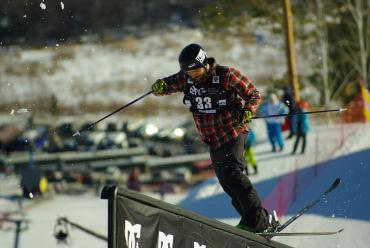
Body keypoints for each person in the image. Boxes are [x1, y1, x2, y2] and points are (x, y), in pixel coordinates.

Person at [151, 43, 278, 233]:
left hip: (232, 132)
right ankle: (256, 219)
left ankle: (257, 221)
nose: (191, 74)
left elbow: (254, 94)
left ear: (204, 63)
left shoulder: (226, 75)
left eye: (194, 70)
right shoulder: (187, 78)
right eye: (186, 71)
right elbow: (167, 85)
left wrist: (248, 110)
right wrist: (159, 86)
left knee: (233, 174)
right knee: (225, 181)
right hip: (212, 139)